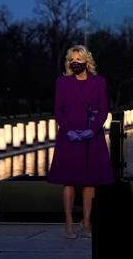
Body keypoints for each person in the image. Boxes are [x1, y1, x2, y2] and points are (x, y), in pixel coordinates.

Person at [47, 45, 114, 239]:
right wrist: (68, 131)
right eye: (71, 60)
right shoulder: (62, 83)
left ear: (87, 61)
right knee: (68, 181)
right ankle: (69, 224)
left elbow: (103, 110)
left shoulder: (99, 82)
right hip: (68, 136)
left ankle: (87, 222)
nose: (75, 63)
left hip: (91, 136)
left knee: (90, 181)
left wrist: (90, 132)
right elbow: (58, 110)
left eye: (78, 59)